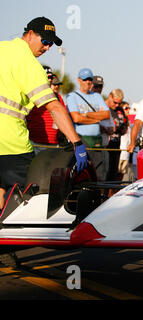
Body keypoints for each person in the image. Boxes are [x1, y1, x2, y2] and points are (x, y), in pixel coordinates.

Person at [0, 16, 88, 210]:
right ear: (30, 34)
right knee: (31, 199)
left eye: (51, 44)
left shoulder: (2, 48)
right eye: (45, 41)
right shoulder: (29, 64)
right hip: (10, 144)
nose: (47, 48)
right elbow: (54, 108)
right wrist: (77, 142)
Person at [66, 67, 110, 180]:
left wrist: (86, 115)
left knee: (99, 173)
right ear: (79, 80)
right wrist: (96, 119)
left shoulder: (97, 96)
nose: (88, 82)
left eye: (90, 79)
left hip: (96, 140)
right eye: (85, 79)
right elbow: (76, 118)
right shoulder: (72, 96)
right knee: (82, 171)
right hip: (81, 139)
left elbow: (106, 114)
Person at [26, 71, 60, 152]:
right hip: (36, 142)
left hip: (54, 142)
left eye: (51, 78)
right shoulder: (31, 94)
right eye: (47, 77)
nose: (50, 80)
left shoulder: (57, 96)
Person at [104, 89, 128, 181]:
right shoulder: (103, 107)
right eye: (115, 102)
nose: (117, 105)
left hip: (116, 146)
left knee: (113, 175)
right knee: (104, 175)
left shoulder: (120, 110)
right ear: (110, 96)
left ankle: (110, 195)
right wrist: (107, 129)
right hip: (104, 146)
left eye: (119, 103)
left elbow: (125, 123)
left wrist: (123, 129)